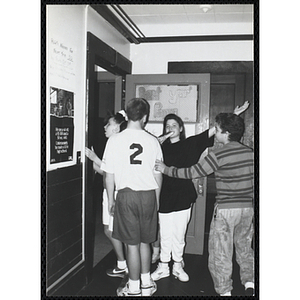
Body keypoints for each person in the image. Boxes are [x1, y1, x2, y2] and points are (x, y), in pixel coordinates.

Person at [155, 113, 254, 297]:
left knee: (220, 252)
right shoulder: (251, 153)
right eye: (167, 125)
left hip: (225, 209)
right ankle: (250, 282)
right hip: (247, 209)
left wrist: (166, 169)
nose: (215, 133)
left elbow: (194, 171)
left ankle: (225, 291)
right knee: (244, 247)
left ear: (225, 132)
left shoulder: (218, 154)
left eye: (217, 130)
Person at [100, 98, 163, 297]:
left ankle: (134, 287)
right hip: (148, 196)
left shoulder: (114, 140)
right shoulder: (152, 141)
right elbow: (158, 174)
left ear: (126, 115)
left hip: (125, 196)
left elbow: (109, 175)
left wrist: (111, 200)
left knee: (131, 244)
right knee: (146, 242)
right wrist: (156, 200)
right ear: (145, 117)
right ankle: (146, 283)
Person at [85, 111, 128, 278]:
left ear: (117, 127)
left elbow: (113, 172)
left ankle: (124, 265)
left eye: (109, 124)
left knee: (114, 231)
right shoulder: (112, 142)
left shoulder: (118, 143)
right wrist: (93, 160)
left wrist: (96, 158)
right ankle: (123, 263)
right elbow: (104, 171)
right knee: (108, 230)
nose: (105, 127)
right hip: (107, 191)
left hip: (115, 192)